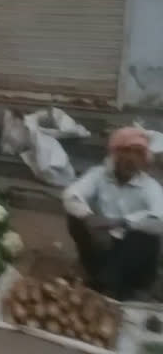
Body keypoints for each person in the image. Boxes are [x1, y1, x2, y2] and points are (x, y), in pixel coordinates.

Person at [63, 127, 163, 300]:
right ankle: (102, 280)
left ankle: (107, 286)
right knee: (75, 218)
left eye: (138, 153)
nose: (131, 158)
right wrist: (89, 218)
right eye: (126, 151)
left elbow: (160, 219)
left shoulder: (150, 186)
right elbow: (70, 195)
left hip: (133, 256)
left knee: (145, 234)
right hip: (103, 242)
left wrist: (121, 222)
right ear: (115, 154)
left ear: (144, 159)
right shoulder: (98, 175)